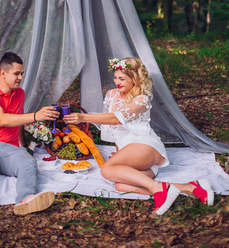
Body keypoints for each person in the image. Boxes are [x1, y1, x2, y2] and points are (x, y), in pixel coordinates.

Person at [63, 57, 214, 215]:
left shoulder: (141, 100)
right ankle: (188, 187)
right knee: (121, 186)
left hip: (146, 145)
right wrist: (121, 153)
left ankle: (157, 188)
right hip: (133, 153)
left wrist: (83, 117)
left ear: (134, 79)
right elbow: (113, 129)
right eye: (115, 77)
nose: (117, 82)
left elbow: (116, 119)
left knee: (107, 170)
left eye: (122, 79)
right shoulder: (111, 95)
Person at [0, 51, 60, 216]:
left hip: (10, 152)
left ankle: (26, 199)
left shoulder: (20, 94)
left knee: (28, 162)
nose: (21, 78)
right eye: (16, 73)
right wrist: (37, 115)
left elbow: (18, 120)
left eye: (22, 73)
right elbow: (3, 119)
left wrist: (25, 148)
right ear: (3, 73)